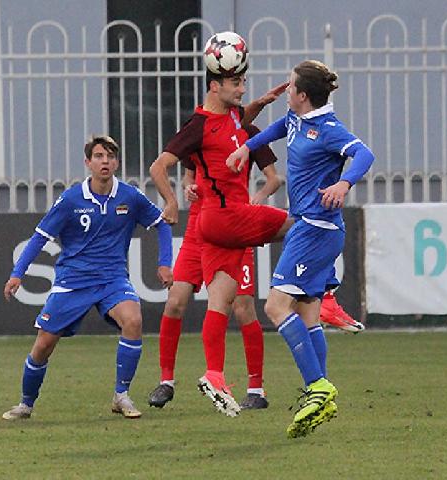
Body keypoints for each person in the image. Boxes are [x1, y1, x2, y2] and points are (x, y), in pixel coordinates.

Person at [226, 60, 375, 437]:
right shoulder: (296, 120)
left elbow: (365, 155)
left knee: (275, 306)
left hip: (316, 229)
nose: (285, 90)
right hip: (309, 227)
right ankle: (320, 392)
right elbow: (278, 128)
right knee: (309, 313)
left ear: (303, 95)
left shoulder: (327, 128)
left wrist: (343, 185)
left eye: (290, 86)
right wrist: (247, 146)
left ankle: (318, 388)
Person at [150, 65, 292, 417]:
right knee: (177, 302)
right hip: (214, 221)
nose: (243, 89)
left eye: (244, 83)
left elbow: (272, 176)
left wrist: (256, 199)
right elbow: (181, 167)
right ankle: (167, 381)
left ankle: (244, 384)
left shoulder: (244, 127)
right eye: (237, 83)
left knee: (235, 304)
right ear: (217, 86)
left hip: (232, 218)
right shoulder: (200, 127)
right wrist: (180, 194)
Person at [1, 135, 173, 421]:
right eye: (98, 156)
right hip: (73, 280)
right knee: (44, 343)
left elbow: (161, 225)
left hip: (112, 279)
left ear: (116, 162)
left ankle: (121, 395)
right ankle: (26, 403)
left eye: (109, 156)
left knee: (133, 320)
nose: (104, 161)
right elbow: (39, 237)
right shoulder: (70, 199)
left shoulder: (130, 196)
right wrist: (18, 273)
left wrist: (165, 263)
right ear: (88, 162)